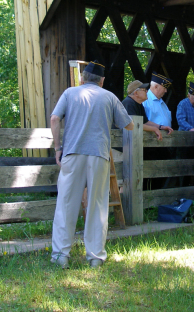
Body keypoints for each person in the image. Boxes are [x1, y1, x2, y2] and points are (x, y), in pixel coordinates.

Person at [50, 61, 133, 269]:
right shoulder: (109, 97)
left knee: (66, 204)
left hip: (72, 153)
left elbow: (54, 119)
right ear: (102, 81)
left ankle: (61, 255)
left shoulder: (70, 93)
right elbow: (129, 125)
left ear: (82, 78)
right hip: (98, 155)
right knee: (97, 204)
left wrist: (58, 148)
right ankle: (95, 257)